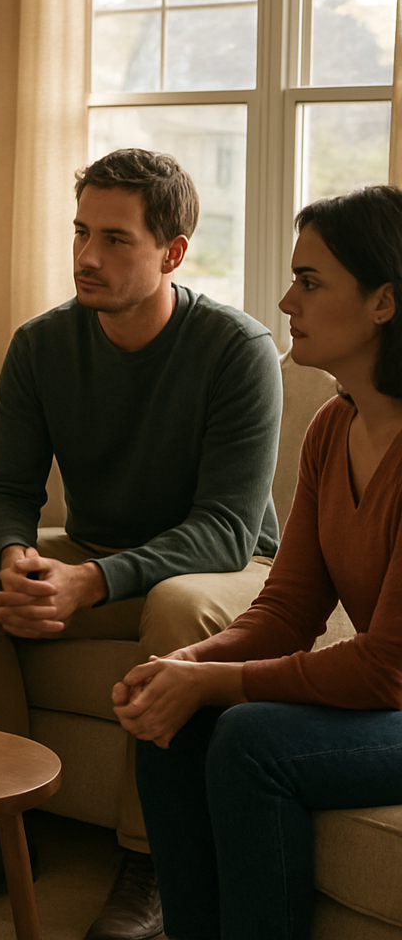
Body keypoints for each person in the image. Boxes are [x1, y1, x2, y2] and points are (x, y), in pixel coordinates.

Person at [0, 149, 283, 940]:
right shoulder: (42, 345)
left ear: (172, 253)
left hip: (230, 568)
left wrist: (91, 582)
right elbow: (6, 491)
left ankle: (153, 863)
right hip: (100, 552)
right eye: (80, 233)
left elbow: (227, 528)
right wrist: (15, 559)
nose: (86, 257)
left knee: (176, 605)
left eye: (114, 239)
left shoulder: (237, 351)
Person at [113, 185, 402, 940]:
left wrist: (211, 681)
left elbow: (385, 670)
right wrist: (184, 667)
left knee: (249, 740)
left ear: (384, 302)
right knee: (170, 721)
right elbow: (288, 609)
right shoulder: (332, 427)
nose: (285, 301)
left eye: (310, 282)